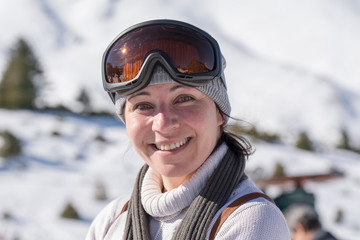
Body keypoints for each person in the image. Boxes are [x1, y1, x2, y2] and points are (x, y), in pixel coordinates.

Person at [86, 19, 290, 240]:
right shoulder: (112, 221)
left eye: (184, 99)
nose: (162, 123)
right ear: (126, 121)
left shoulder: (251, 220)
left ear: (219, 113)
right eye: (143, 105)